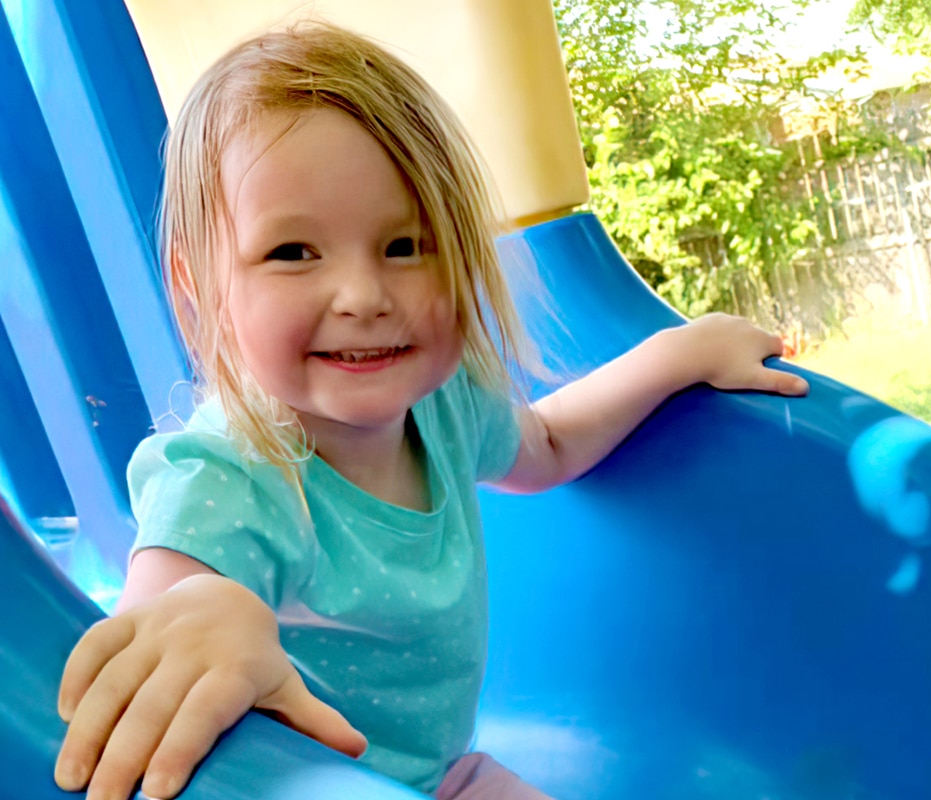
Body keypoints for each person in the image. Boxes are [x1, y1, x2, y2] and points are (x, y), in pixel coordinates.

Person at [53, 20, 809, 800]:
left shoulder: (443, 406)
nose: (364, 297)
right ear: (198, 287)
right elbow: (145, 638)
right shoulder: (228, 475)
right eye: (292, 253)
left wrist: (677, 355)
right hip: (289, 788)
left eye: (406, 245)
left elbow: (545, 444)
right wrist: (202, 609)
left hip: (440, 777)